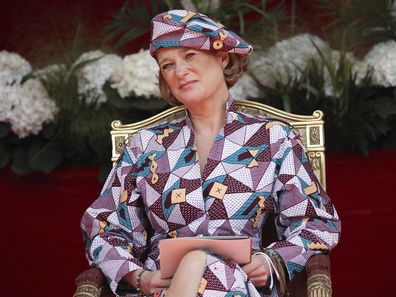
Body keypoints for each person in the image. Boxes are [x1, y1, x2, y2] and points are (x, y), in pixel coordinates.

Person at [81, 9, 341, 297]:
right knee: (196, 264)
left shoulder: (272, 139)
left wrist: (272, 261)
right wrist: (138, 275)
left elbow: (316, 222)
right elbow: (105, 228)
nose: (179, 72)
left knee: (207, 266)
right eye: (168, 65)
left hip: (242, 285)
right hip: (162, 289)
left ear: (222, 57)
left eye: (189, 56)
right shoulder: (145, 146)